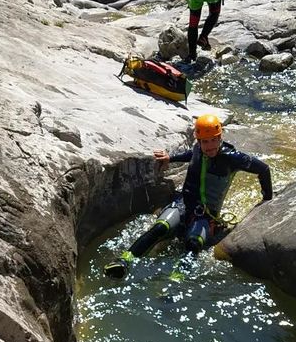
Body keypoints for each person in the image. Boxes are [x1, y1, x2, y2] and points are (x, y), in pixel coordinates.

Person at [103, 114, 272, 279]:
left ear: (220, 137)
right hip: (183, 203)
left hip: (205, 215)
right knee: (160, 228)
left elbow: (263, 169)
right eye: (205, 141)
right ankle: (124, 261)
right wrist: (171, 158)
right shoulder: (199, 149)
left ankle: (176, 280)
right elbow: (192, 155)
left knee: (193, 244)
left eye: (214, 140)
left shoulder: (233, 158)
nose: (210, 146)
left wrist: (267, 198)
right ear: (198, 140)